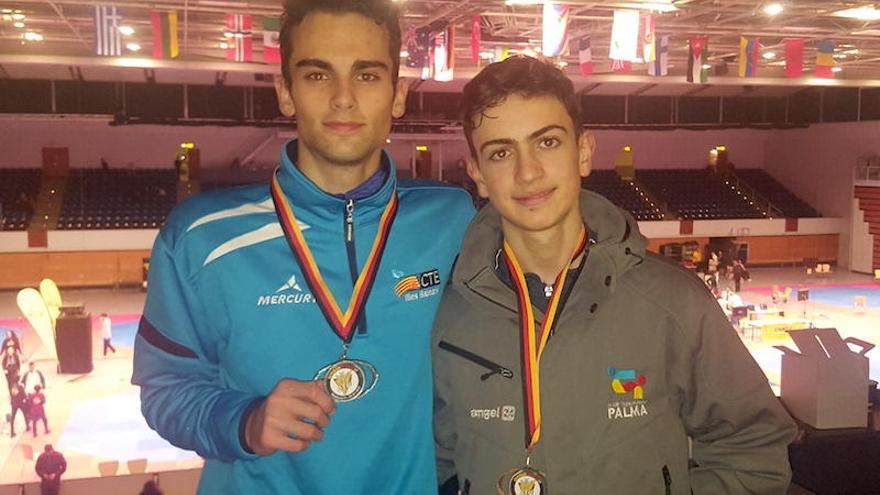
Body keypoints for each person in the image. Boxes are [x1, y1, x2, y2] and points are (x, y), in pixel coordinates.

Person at [131, 1, 474, 494]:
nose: (343, 98)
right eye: (317, 76)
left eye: (367, 75)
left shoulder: (451, 220)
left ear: (398, 94)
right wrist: (245, 421)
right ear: (285, 92)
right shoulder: (202, 238)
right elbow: (164, 389)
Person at [432, 56, 796, 495]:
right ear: (478, 175)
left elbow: (754, 452)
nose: (527, 172)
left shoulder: (673, 303)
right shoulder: (446, 314)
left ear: (584, 152)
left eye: (547, 143)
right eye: (501, 152)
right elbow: (433, 458)